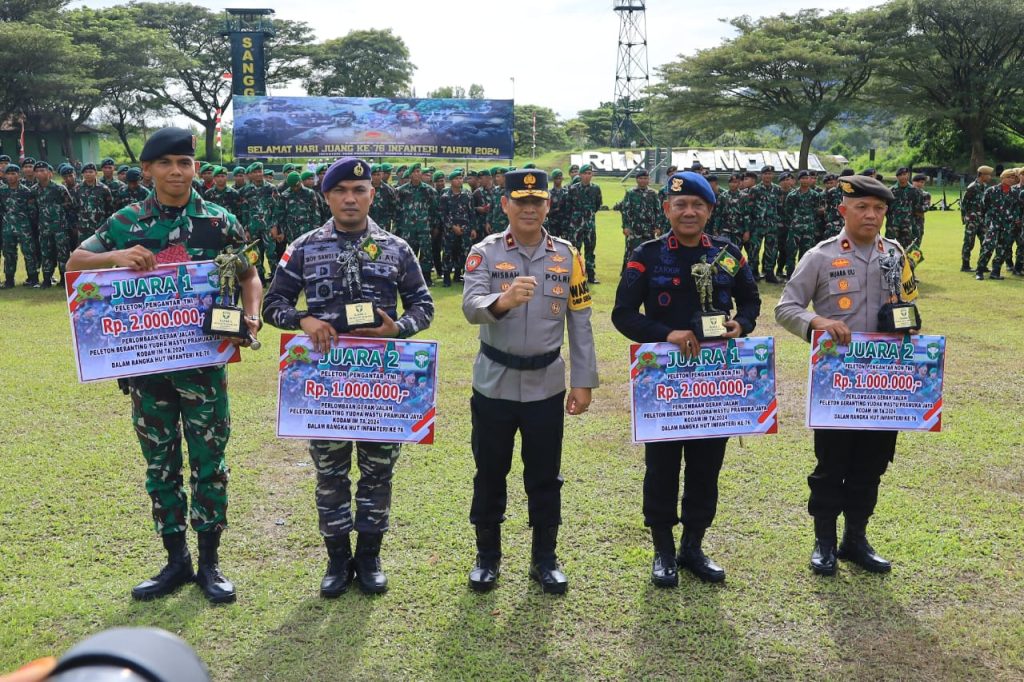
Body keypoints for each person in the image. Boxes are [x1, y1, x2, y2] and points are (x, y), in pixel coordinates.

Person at [66, 127, 262, 603]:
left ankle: (210, 564)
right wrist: (116, 256)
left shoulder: (219, 220)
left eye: (185, 163)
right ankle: (176, 561)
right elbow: (75, 262)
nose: (177, 171)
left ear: (195, 168)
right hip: (147, 371)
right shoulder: (126, 221)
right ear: (148, 170)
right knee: (161, 465)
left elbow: (250, 274)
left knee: (210, 464)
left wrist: (252, 317)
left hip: (204, 370)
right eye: (167, 163)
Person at [263, 158, 434, 596]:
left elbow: (423, 306)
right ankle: (337, 560)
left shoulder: (396, 248)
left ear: (372, 194)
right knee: (331, 474)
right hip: (326, 384)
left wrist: (398, 328)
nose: (350, 198)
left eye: (359, 190)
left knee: (378, 473)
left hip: (381, 385)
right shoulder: (304, 247)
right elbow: (272, 304)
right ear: (327, 197)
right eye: (341, 191)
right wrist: (304, 320)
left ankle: (370, 557)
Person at [611, 171, 760, 587]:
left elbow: (750, 301)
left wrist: (741, 325)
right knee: (661, 468)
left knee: (706, 467)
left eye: (698, 205)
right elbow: (623, 315)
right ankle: (663, 550)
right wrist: (667, 334)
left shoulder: (728, 253)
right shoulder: (647, 254)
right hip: (666, 383)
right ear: (667, 209)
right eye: (681, 205)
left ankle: (693, 546)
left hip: (715, 383)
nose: (689, 212)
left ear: (710, 210)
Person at [461, 169, 598, 594]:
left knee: (544, 475)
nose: (529, 209)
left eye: (537, 201)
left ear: (548, 206)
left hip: (546, 386)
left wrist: (583, 380)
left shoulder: (567, 256)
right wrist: (502, 301)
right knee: (490, 472)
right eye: (521, 201)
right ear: (505, 205)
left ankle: (545, 559)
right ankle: (487, 558)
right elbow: (470, 306)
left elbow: (580, 320)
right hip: (494, 384)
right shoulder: (484, 252)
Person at [775, 174, 914, 576]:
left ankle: (856, 539)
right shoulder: (820, 256)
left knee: (872, 464)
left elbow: (908, 305)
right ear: (843, 210)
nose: (871, 215)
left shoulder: (896, 254)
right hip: (837, 386)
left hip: (884, 385)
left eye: (879, 209)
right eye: (862, 208)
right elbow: (786, 308)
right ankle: (824, 541)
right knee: (831, 465)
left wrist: (909, 328)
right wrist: (817, 321)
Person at [31, 162, 76, 288]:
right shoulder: (34, 190)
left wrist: (69, 225)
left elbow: (70, 207)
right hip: (44, 228)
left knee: (63, 253)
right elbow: (33, 210)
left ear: (49, 173)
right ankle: (47, 279)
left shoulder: (59, 189)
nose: (40, 173)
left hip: (60, 228)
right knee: (46, 253)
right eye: (37, 171)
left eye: (43, 170)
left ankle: (64, 279)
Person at [395, 163, 440, 286]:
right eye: (415, 171)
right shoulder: (401, 191)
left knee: (426, 253)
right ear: (410, 174)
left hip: (424, 228)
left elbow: (435, 210)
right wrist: (398, 228)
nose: (417, 174)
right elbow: (397, 210)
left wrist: (434, 226)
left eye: (419, 171)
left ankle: (426, 278)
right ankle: (407, 278)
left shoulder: (429, 190)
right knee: (408, 253)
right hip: (407, 228)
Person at [975, 168, 1024, 280]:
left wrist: (1015, 220)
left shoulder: (1015, 193)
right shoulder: (991, 191)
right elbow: (982, 207)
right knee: (988, 247)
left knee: (1002, 250)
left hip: (1007, 226)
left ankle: (995, 272)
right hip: (993, 224)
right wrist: (984, 223)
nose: (1011, 179)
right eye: (1009, 177)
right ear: (1002, 178)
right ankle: (980, 271)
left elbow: (1017, 209)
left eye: (1013, 178)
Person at [0, 164, 39, 288]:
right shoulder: (2, 191)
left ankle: (33, 279)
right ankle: (9, 280)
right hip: (7, 228)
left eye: (13, 174)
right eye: (8, 174)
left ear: (19, 175)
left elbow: (32, 212)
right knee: (9, 254)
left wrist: (31, 227)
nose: (11, 176)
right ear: (5, 176)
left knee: (29, 253)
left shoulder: (26, 192)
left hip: (24, 228)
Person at [618, 167, 661, 272]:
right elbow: (625, 211)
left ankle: (647, 274)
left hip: (649, 230)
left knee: (649, 252)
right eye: (640, 178)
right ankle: (627, 273)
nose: (643, 180)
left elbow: (658, 211)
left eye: (645, 178)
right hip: (633, 229)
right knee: (630, 253)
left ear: (649, 179)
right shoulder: (630, 193)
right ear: (637, 179)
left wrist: (658, 227)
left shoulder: (654, 193)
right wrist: (626, 226)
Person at [567, 163, 602, 283]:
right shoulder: (573, 189)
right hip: (576, 226)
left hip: (589, 226)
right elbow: (568, 207)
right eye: (585, 173)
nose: (587, 176)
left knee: (590, 250)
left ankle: (591, 275)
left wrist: (589, 216)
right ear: (580, 175)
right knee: (574, 251)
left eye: (589, 173)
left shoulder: (596, 189)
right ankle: (574, 275)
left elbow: (597, 205)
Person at [438, 169, 474, 286]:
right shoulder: (445, 196)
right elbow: (442, 215)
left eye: (460, 178)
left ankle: (460, 275)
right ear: (451, 181)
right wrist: (453, 227)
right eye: (456, 179)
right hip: (450, 230)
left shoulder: (467, 194)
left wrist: (473, 228)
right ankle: (446, 277)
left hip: (465, 229)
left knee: (464, 252)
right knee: (448, 252)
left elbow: (471, 212)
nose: (459, 181)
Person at [960, 165, 992, 272]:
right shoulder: (972, 187)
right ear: (981, 175)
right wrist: (965, 218)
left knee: (986, 242)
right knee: (969, 242)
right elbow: (964, 204)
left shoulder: (985, 187)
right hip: (972, 220)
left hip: (982, 220)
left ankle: (982, 265)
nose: (990, 177)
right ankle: (965, 265)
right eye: (988, 175)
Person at [76, 163, 114, 246]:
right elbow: (75, 207)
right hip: (83, 228)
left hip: (99, 227)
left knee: (99, 249)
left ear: (96, 173)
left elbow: (110, 208)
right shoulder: (78, 188)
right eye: (85, 172)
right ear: (83, 174)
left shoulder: (104, 189)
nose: (88, 174)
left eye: (90, 172)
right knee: (83, 250)